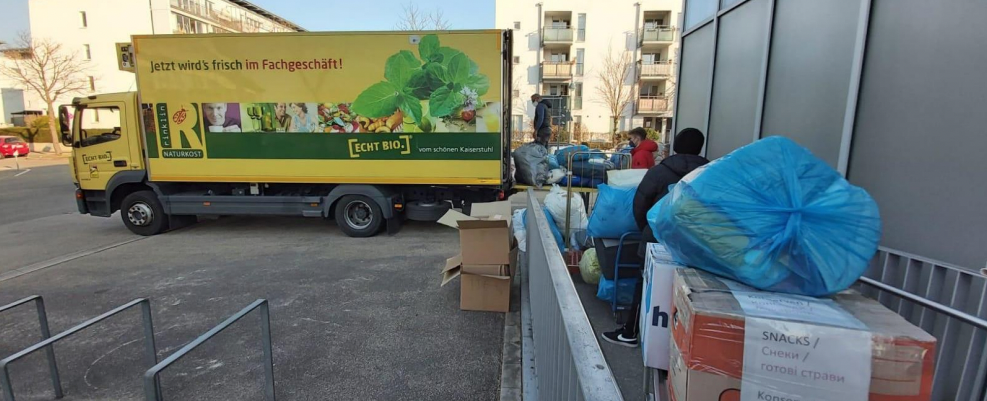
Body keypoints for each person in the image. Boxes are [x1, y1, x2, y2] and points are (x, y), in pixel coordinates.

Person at [601, 127, 709, 348]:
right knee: (691, 287)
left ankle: (630, 332)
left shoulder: (659, 172)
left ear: (676, 146)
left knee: (647, 282)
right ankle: (683, 341)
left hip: (657, 237)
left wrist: (647, 229)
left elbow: (640, 204)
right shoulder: (709, 173)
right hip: (694, 240)